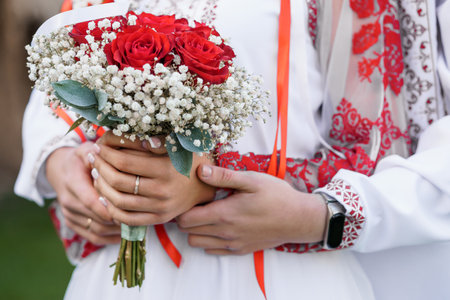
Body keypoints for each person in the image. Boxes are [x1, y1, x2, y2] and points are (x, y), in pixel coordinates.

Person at [14, 0, 450, 299]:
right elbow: (59, 74)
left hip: (277, 267)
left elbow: (375, 135)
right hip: (121, 274)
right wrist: (59, 159)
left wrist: (308, 213)